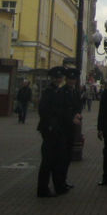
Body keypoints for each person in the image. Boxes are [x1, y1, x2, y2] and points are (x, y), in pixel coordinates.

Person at [36, 67, 71, 197]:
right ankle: (43, 189)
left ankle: (59, 186)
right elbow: (44, 111)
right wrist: (50, 125)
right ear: (53, 79)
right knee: (47, 160)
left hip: (60, 129)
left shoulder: (60, 92)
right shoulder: (48, 92)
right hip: (50, 130)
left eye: (60, 77)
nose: (58, 79)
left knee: (59, 159)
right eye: (57, 78)